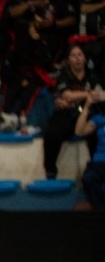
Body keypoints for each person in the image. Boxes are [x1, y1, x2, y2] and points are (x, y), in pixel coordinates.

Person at [43, 45, 99, 179]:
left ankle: (96, 170)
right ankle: (50, 171)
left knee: (97, 133)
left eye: (80, 54)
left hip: (87, 113)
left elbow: (97, 95)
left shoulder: (93, 75)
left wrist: (74, 99)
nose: (77, 58)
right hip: (66, 115)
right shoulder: (63, 75)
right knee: (52, 134)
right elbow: (67, 96)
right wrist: (87, 95)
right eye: (73, 55)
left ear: (85, 58)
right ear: (68, 60)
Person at [73, 87, 105, 210]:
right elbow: (79, 131)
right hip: (99, 161)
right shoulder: (100, 119)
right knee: (88, 178)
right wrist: (86, 106)